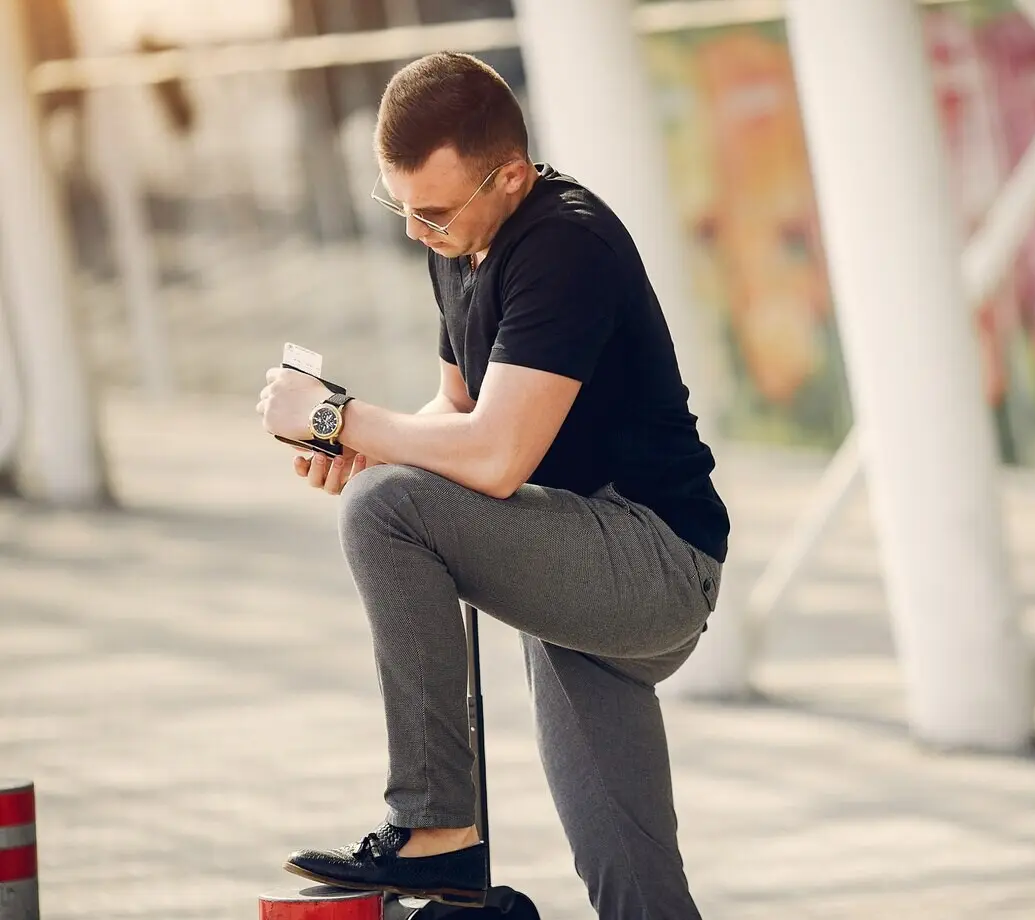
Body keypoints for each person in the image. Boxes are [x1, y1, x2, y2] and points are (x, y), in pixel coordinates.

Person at [255, 51, 729, 920]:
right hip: (571, 563)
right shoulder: (460, 241)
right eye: (399, 208)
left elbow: (496, 457)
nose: (414, 232)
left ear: (510, 175)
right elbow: (456, 412)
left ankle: (435, 831)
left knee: (386, 510)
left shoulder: (563, 244)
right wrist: (363, 445)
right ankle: (450, 857)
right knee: (633, 887)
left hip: (652, 561)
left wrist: (342, 420)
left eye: (432, 212)